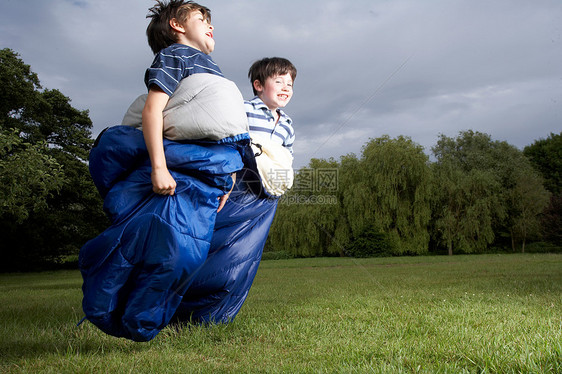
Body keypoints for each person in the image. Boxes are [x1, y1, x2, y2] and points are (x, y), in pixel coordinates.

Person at [142, 0, 238, 211]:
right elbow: (152, 109)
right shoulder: (175, 55)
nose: (211, 26)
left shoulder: (212, 68)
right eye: (202, 20)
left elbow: (227, 128)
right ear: (177, 25)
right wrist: (159, 168)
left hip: (212, 167)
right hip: (182, 163)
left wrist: (228, 178)